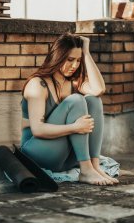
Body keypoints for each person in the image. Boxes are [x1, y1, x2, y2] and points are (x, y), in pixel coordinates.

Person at [20, 33, 119, 186]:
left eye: (78, 61)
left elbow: (98, 89)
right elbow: (38, 130)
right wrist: (75, 127)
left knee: (93, 100)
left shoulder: (73, 83)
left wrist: (86, 52)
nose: (74, 66)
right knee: (76, 99)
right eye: (70, 60)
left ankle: (94, 166)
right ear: (57, 57)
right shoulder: (38, 84)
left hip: (64, 158)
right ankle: (85, 171)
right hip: (38, 153)